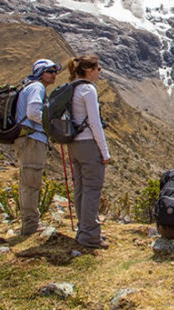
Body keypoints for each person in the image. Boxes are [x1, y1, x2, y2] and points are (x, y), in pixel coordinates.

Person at [66, 55, 111, 249]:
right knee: (92, 189)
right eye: (98, 69)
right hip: (88, 144)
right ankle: (91, 237)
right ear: (90, 70)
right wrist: (105, 152)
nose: (99, 72)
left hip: (73, 144)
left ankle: (83, 231)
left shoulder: (72, 88)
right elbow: (95, 123)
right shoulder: (88, 90)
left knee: (81, 188)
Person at [14, 59, 58, 236]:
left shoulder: (31, 87)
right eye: (49, 71)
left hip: (29, 139)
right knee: (31, 181)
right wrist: (51, 124)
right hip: (32, 139)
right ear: (41, 73)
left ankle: (30, 221)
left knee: (29, 180)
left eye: (54, 71)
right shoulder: (37, 88)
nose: (54, 74)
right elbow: (33, 112)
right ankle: (31, 225)